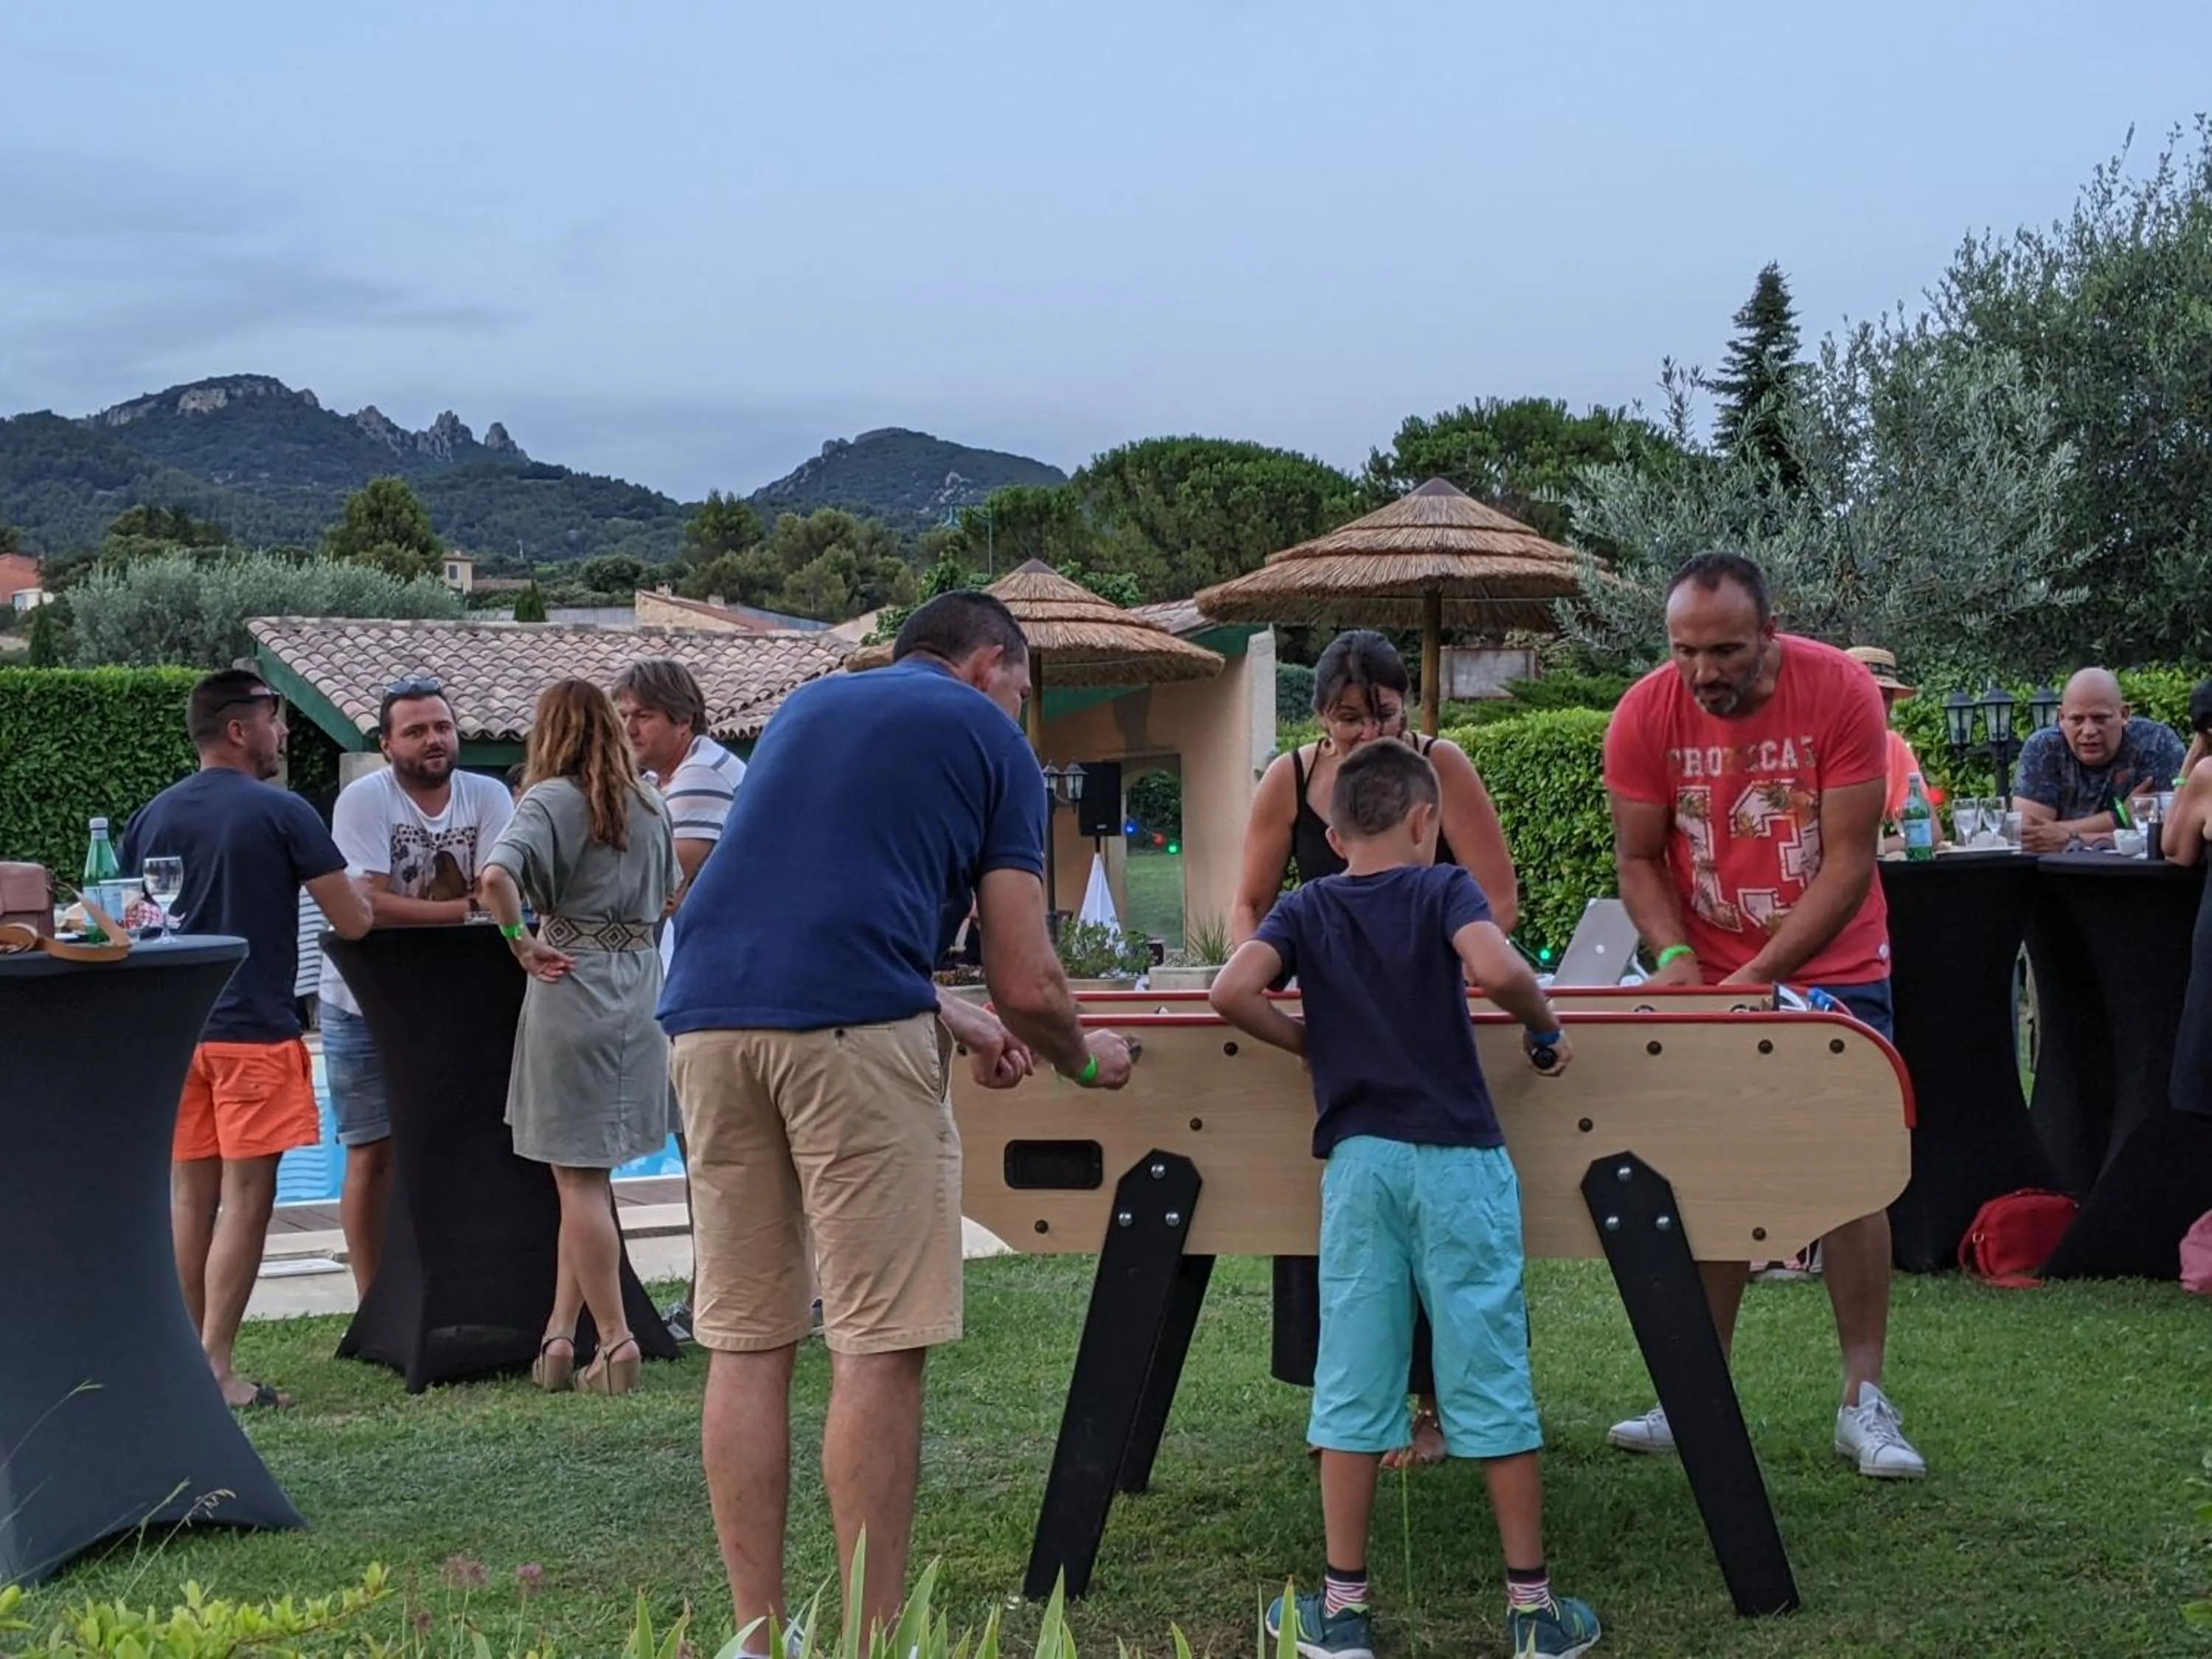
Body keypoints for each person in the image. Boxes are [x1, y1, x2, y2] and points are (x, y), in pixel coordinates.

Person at [659, 591, 1134, 1653]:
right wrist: (1082, 1059)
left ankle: (757, 1635)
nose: (1023, 706)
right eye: (1022, 683)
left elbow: (811, 910)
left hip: (706, 1025)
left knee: (747, 1336)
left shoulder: (811, 710)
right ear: (986, 663)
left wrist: (952, 1014)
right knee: (878, 1339)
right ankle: (879, 1641)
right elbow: (1030, 973)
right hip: (848, 1040)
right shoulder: (987, 738)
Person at [1211, 741, 1599, 1659]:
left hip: (1361, 1165)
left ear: (1335, 833)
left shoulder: (1307, 903)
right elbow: (1499, 972)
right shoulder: (1445, 891)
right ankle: (1533, 1611)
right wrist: (1544, 1029)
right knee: (1489, 1368)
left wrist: (1302, 1039)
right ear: (1429, 822)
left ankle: (1342, 1612)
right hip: (1461, 1163)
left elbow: (1232, 989)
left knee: (1354, 1373)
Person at [1601, 552, 1927, 1479]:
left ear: (1769, 634)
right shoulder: (1642, 713)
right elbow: (1638, 859)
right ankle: (1696, 1393)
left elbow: (1849, 860)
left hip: (1837, 962)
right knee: (1704, 1174)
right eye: (1686, 651)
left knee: (1853, 1168)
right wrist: (1673, 958)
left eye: (1727, 651)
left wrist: (1761, 973)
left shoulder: (1840, 694)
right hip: (1705, 968)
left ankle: (1864, 1403)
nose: (1705, 672)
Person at [1231, 628, 1520, 1471]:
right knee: (1346, 1234)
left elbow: (1495, 900)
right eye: (1348, 718)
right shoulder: (1286, 779)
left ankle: (1435, 1408)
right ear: (1320, 715)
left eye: (1383, 714)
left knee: (1437, 1225)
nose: (1367, 733)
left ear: (1409, 708)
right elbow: (1249, 905)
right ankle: (1354, 1409)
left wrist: (1435, 956)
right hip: (1339, 1022)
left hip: (1427, 1015)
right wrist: (1291, 994)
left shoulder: (1443, 766)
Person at [119, 669, 373, 1410]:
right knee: (248, 1200)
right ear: (239, 729)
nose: (284, 733)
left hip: (179, 1036)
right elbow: (350, 922)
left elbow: (135, 923)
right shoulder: (283, 811)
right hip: (255, 1033)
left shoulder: (150, 818)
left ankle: (182, 1362)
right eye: (275, 718)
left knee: (189, 1201)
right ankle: (219, 1369)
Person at [479, 679, 680, 1397]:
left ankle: (618, 1341)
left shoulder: (549, 801)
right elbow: (670, 894)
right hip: (639, 987)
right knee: (585, 1174)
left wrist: (520, 941)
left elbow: (495, 877)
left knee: (576, 1178)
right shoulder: (653, 805)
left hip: (572, 983)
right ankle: (561, 1338)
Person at [319, 675, 513, 1296]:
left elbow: (501, 885)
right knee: (372, 1152)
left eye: (442, 727)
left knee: (456, 1145)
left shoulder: (486, 794)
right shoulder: (364, 801)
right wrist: (468, 912)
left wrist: (479, 905)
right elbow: (365, 904)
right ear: (387, 744)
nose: (434, 740)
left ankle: (455, 1282)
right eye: (417, 731)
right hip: (362, 1005)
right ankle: (374, 1298)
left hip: (457, 1004)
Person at [612, 658, 748, 1342]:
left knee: (710, 1151)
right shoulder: (678, 777)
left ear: (683, 719)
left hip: (719, 991)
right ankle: (721, 1295)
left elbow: (659, 887)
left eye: (643, 716)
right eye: (625, 715)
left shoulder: (699, 780)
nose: (629, 727)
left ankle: (711, 1301)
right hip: (709, 983)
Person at [2014, 668, 2185, 852]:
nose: (2088, 731)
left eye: (2100, 719)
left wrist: (2072, 839)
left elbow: (2168, 836)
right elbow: (2031, 836)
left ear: (2124, 715)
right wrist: (2120, 818)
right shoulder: (2043, 748)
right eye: (2077, 720)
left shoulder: (2157, 744)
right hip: (2057, 875)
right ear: (2061, 718)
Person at [1843, 645, 1924, 826]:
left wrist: (1877, 848)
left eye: (1885, 697)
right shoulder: (1816, 743)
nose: (1878, 705)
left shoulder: (1892, 745)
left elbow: (1927, 831)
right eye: (1867, 694)